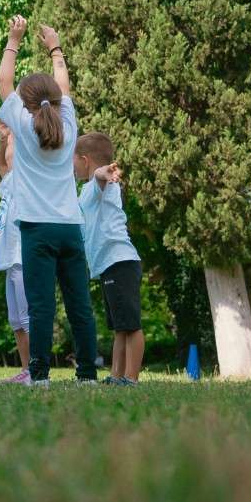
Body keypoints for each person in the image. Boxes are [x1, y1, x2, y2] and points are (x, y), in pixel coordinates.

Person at [0, 16, 99, 387]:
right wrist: (55, 47)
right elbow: (64, 85)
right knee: (80, 305)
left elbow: (3, 82)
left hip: (36, 229)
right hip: (70, 228)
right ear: (56, 101)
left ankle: (39, 376)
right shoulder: (68, 127)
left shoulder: (23, 128)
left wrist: (13, 40)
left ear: (25, 105)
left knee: (41, 307)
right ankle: (87, 375)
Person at [75, 132, 144, 385]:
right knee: (119, 326)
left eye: (73, 161)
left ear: (85, 160)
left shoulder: (101, 184)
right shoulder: (86, 190)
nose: (72, 167)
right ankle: (116, 376)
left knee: (131, 325)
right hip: (108, 265)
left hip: (120, 261)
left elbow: (99, 175)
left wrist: (104, 172)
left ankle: (131, 378)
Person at [0, 122, 31, 383]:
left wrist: (14, 132)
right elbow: (0, 163)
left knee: (27, 318)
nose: (7, 154)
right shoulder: (9, 182)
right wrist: (3, 138)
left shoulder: (26, 180)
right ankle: (26, 370)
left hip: (21, 256)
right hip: (9, 260)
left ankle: (37, 371)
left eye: (10, 149)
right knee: (15, 320)